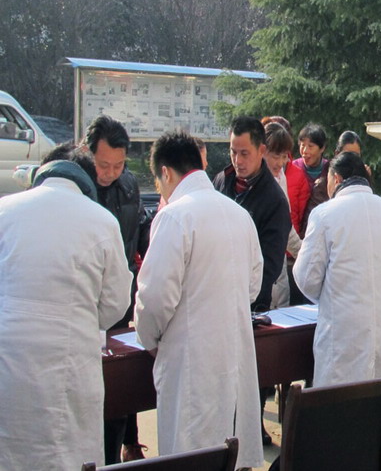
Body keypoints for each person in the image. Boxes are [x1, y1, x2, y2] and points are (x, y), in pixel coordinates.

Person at [134, 132, 263, 470]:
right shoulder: (238, 214)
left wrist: (149, 340)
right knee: (228, 452)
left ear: (165, 172)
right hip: (232, 352)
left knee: (191, 453)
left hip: (191, 361)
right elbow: (253, 285)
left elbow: (154, 297)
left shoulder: (174, 216)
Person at [0, 159, 132, 470]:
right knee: (66, 453)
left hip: (9, 358)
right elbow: (115, 304)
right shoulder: (101, 221)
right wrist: (81, 316)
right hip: (70, 361)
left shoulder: (4, 211)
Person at [293, 152, 381, 387]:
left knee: (340, 404)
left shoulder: (324, 215)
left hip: (342, 340)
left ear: (336, 179)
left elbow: (306, 279)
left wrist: (333, 295)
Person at [83, 115, 151, 463]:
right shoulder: (79, 189)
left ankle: (120, 447)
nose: (110, 172)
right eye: (103, 164)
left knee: (121, 382)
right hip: (86, 301)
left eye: (119, 165)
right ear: (87, 153)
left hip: (120, 296)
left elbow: (138, 229)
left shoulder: (128, 185)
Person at [213, 116, 291, 311]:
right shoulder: (221, 181)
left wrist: (239, 293)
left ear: (261, 151)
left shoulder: (275, 201)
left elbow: (270, 266)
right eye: (233, 152)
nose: (238, 161)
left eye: (244, 153)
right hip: (214, 295)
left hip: (250, 304)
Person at [263, 122, 302, 309]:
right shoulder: (250, 183)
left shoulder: (281, 177)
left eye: (284, 156)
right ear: (261, 152)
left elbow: (284, 226)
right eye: (275, 156)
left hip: (279, 270)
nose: (280, 163)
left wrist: (303, 253)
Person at [292, 123, 328, 237]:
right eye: (302, 145)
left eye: (310, 146)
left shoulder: (330, 171)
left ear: (322, 148)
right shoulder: (293, 168)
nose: (305, 151)